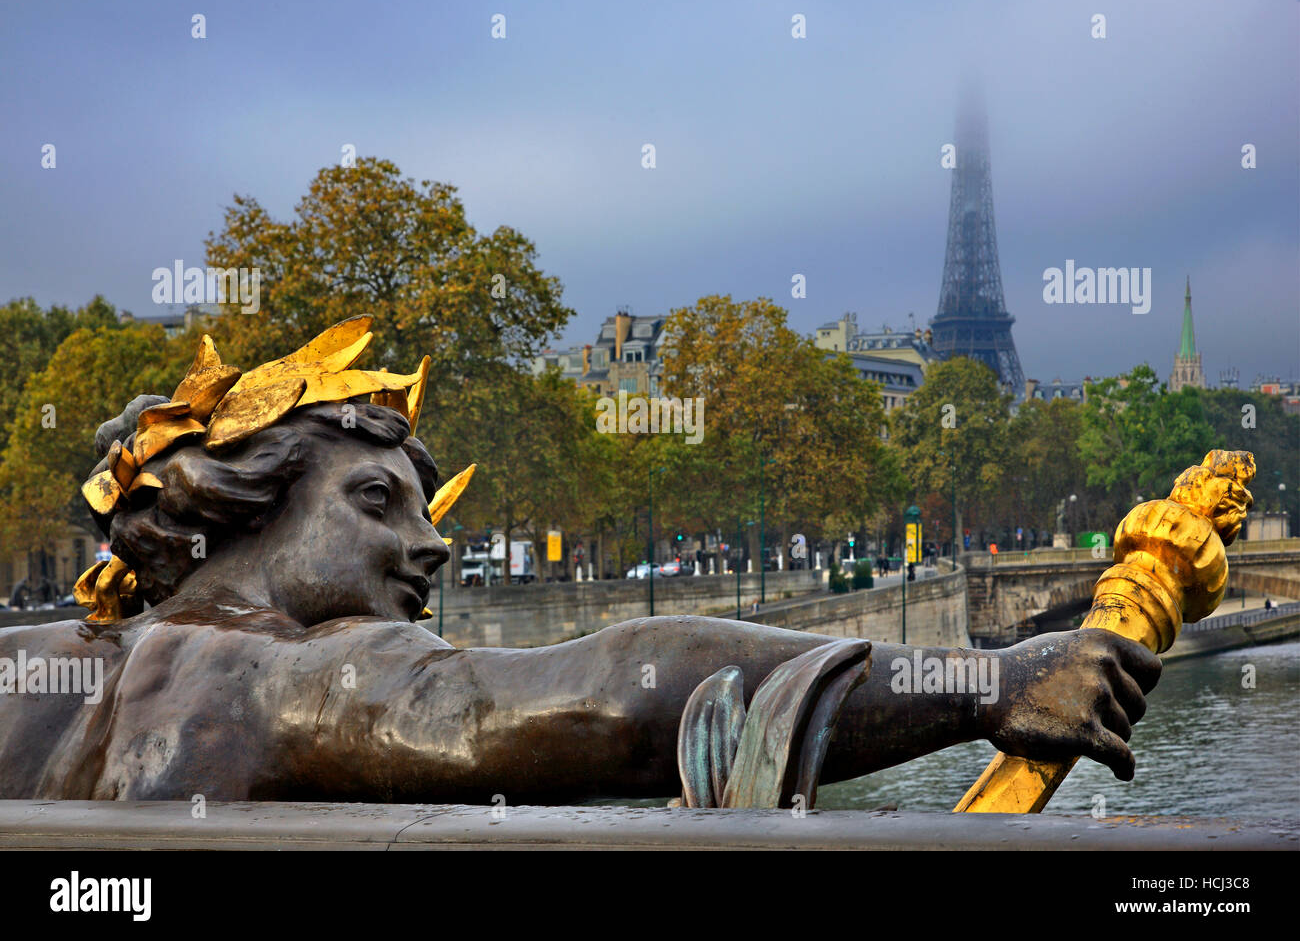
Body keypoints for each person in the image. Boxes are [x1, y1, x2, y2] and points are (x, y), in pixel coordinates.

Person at [0, 319, 1160, 804]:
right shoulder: (272, 671)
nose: (431, 541)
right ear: (244, 509)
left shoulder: (38, 666)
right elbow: (617, 692)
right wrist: (988, 682)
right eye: (375, 502)